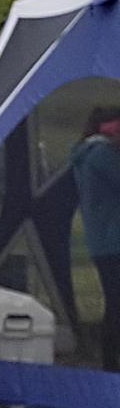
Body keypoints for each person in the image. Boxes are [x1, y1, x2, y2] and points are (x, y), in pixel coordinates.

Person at [73, 105, 120, 370]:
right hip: (114, 240)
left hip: (103, 242)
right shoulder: (102, 154)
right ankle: (111, 362)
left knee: (114, 301)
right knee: (116, 303)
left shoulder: (86, 153)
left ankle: (110, 361)